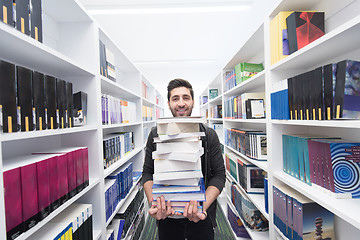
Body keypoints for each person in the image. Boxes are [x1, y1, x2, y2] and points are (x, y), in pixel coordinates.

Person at [142, 78, 226, 240]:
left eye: (185, 98)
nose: (181, 103)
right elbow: (147, 173)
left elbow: (219, 175)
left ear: (193, 101)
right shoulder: (155, 134)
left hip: (202, 218)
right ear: (168, 103)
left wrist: (202, 206)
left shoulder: (208, 135)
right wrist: (155, 203)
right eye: (175, 98)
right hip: (167, 218)